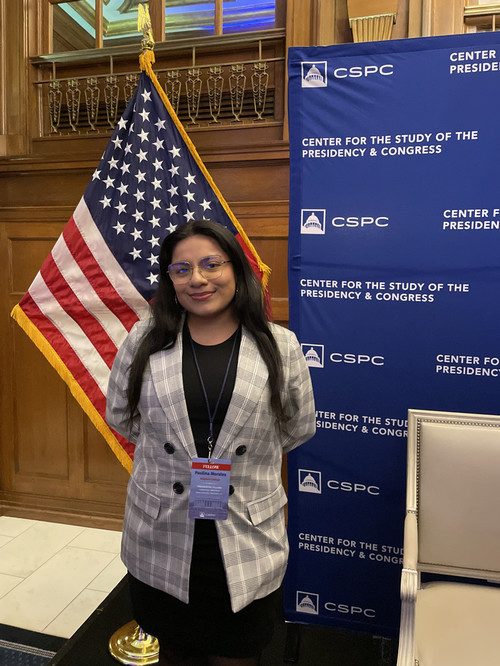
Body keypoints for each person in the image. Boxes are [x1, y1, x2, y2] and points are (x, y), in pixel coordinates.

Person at [106, 219, 316, 666]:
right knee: (174, 653)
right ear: (170, 281)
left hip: (244, 533)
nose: (197, 279)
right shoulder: (144, 339)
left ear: (236, 270)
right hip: (162, 530)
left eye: (210, 264)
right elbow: (121, 415)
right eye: (181, 269)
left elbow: (297, 428)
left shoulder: (281, 346)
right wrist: (179, 456)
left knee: (237, 655)